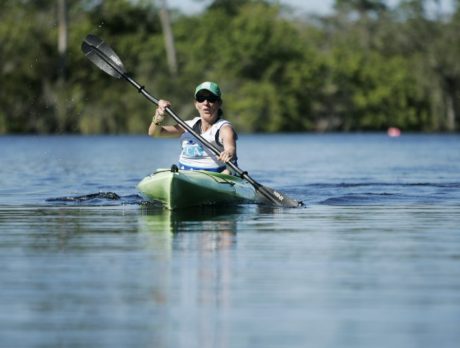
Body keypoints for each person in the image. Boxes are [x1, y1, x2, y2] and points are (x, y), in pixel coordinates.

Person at [148, 81, 238, 174]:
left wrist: (228, 153)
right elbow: (154, 133)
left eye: (211, 99)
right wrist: (158, 117)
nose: (205, 103)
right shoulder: (187, 126)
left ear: (219, 103)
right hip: (186, 175)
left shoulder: (224, 129)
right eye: (201, 98)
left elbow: (230, 148)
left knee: (227, 172)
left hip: (217, 176)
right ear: (196, 104)